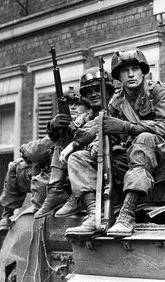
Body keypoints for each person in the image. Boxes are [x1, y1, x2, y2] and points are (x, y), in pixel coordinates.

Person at [64, 48, 165, 238]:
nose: (130, 74)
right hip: (138, 160)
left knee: (144, 139)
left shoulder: (159, 92)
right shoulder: (117, 100)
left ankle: (127, 214)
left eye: (135, 69)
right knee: (79, 158)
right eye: (124, 70)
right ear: (118, 76)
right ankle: (93, 214)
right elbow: (101, 123)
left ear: (143, 71)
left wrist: (127, 127)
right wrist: (74, 145)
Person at [0, 86, 91, 236]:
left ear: (87, 106)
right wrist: (52, 134)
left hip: (71, 180)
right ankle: (6, 216)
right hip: (49, 178)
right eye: (68, 104)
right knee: (16, 167)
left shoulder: (89, 122)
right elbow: (31, 152)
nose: (72, 107)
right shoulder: (59, 126)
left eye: (77, 103)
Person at [34, 70, 115, 218]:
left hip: (109, 161)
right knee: (61, 141)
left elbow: (97, 129)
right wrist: (53, 127)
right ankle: (55, 191)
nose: (94, 94)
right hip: (88, 162)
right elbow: (69, 132)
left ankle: (74, 197)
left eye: (98, 90)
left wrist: (76, 140)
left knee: (75, 151)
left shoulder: (114, 110)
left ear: (108, 91)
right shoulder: (86, 116)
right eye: (89, 91)